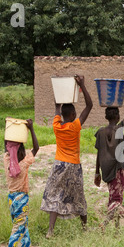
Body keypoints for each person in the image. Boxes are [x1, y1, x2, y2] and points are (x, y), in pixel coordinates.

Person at [41, 75, 93, 238]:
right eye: (75, 113)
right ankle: (85, 228)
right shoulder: (75, 126)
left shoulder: (57, 126)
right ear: (72, 115)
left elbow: (57, 108)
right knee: (79, 195)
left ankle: (50, 230)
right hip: (74, 166)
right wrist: (82, 86)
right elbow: (90, 106)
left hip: (59, 165)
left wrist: (60, 93)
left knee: (55, 194)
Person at [95, 79, 124, 233]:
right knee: (117, 199)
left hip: (106, 169)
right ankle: (104, 225)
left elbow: (98, 153)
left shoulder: (100, 132)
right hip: (117, 169)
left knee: (114, 196)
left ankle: (117, 230)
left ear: (106, 116)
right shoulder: (119, 129)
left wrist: (96, 172)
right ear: (118, 116)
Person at [3, 119, 39, 247]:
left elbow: (8, 145)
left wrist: (11, 130)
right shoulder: (24, 163)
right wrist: (31, 129)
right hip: (22, 199)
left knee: (22, 226)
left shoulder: (6, 160)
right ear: (22, 151)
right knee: (18, 228)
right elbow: (36, 147)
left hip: (12, 199)